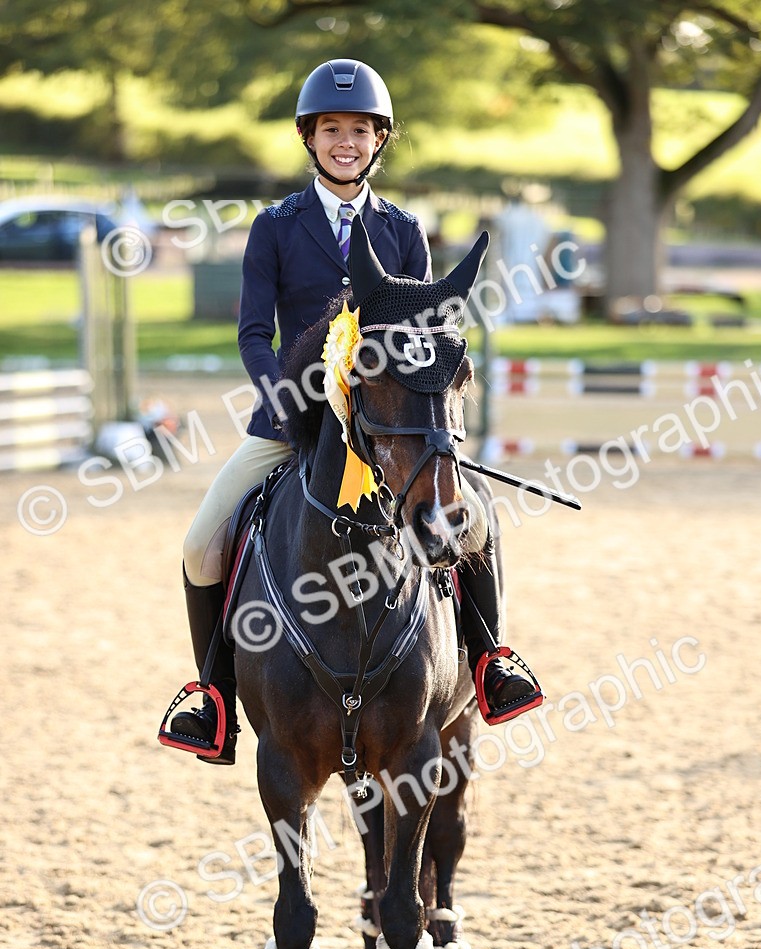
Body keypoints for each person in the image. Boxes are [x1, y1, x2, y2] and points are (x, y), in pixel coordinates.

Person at [167, 58, 540, 766]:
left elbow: (425, 341)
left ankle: (491, 662)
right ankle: (211, 698)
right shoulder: (276, 227)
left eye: (360, 130)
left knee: (470, 520)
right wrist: (282, 395)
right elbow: (254, 333)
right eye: (331, 129)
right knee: (199, 544)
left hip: (387, 430)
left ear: (379, 141)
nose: (346, 141)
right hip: (293, 425)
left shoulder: (404, 230)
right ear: (309, 138)